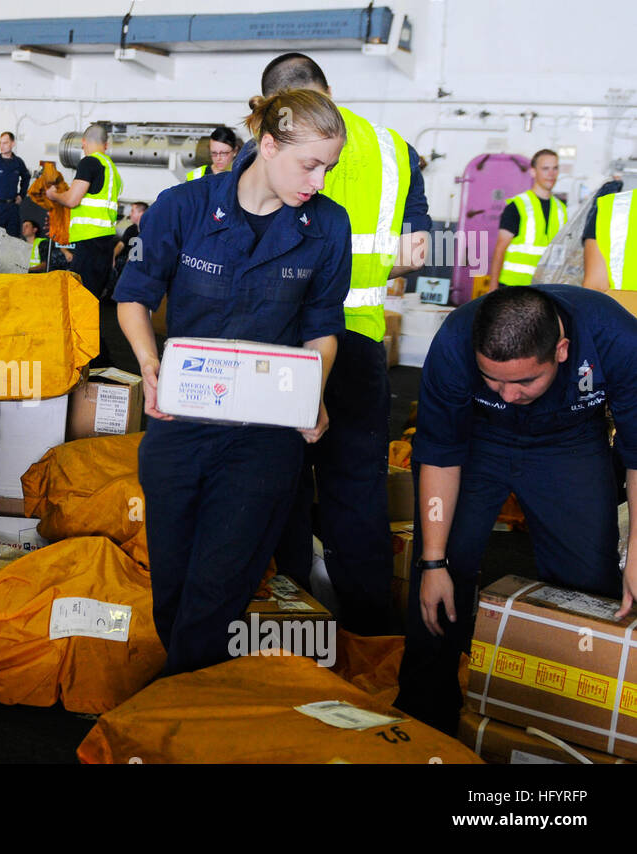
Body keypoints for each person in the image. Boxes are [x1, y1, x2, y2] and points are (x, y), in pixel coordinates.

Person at [114, 88, 351, 676]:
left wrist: (314, 390)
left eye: (329, 167)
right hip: (179, 425)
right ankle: (186, 698)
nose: (318, 181)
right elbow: (134, 298)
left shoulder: (327, 226)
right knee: (173, 582)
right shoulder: (183, 207)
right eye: (310, 163)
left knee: (219, 585)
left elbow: (323, 325)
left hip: (263, 436)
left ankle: (174, 713)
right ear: (267, 145)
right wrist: (149, 364)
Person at [394, 286, 637, 735]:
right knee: (443, 571)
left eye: (525, 381)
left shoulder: (616, 338)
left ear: (561, 351)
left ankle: (567, 723)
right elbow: (439, 453)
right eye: (494, 379)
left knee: (587, 579)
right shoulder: (455, 340)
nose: (508, 393)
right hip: (478, 438)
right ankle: (424, 716)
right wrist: (431, 561)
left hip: (570, 441)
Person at [258, 52, 431, 637]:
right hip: (358, 339)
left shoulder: (274, 141)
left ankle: (286, 618)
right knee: (356, 487)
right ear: (327, 89)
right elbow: (413, 253)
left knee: (277, 479)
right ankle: (369, 630)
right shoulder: (393, 146)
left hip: (278, 343)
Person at [46, 123, 122, 299]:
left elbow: (72, 200)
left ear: (84, 142)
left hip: (89, 242)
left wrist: (54, 195)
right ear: (106, 145)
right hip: (105, 241)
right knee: (93, 299)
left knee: (80, 297)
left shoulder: (89, 162)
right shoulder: (112, 170)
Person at [489, 149, 566, 288]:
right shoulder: (517, 206)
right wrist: (493, 288)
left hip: (546, 287)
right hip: (513, 286)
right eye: (545, 169)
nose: (551, 174)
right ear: (533, 172)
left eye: (555, 168)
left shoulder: (561, 210)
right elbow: (500, 249)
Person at [582, 187, 635, 290]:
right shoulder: (612, 208)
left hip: (621, 305)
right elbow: (595, 287)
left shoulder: (614, 208)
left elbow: (596, 289)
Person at [113, 200, 148, 276]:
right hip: (124, 261)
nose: (130, 214)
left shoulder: (149, 230)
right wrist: (113, 256)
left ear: (141, 213)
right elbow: (121, 244)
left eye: (132, 211)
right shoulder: (131, 229)